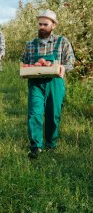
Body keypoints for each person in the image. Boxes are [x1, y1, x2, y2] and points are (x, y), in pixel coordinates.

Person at [21, 9, 75, 159]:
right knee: (34, 113)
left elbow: (70, 63)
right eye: (40, 24)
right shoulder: (30, 45)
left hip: (55, 83)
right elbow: (24, 62)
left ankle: (50, 144)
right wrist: (28, 68)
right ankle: (35, 147)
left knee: (53, 115)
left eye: (45, 24)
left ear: (53, 25)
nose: (42, 27)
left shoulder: (62, 42)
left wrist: (62, 67)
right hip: (36, 83)